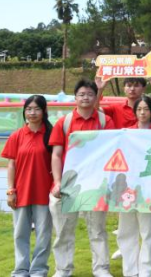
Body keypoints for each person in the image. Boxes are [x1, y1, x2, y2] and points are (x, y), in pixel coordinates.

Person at [48, 79, 116, 277]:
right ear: (75, 97)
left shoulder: (105, 121)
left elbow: (111, 153)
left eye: (90, 94)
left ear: (96, 97)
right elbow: (56, 155)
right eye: (81, 94)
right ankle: (63, 269)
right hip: (68, 184)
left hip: (95, 184)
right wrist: (58, 182)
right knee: (63, 231)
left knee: (98, 230)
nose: (86, 98)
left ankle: (101, 268)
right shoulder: (64, 122)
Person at [2, 95, 54, 277]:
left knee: (43, 234)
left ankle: (39, 269)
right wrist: (11, 190)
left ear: (44, 111)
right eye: (29, 109)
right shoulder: (17, 135)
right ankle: (21, 270)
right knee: (20, 234)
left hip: (44, 192)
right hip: (21, 192)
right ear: (24, 111)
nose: (32, 113)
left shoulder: (51, 134)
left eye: (37, 109)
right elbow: (11, 164)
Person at [116, 96, 151, 277]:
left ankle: (147, 272)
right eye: (139, 109)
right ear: (134, 112)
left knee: (148, 232)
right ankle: (130, 271)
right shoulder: (126, 133)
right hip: (127, 189)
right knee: (126, 231)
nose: (142, 113)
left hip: (150, 190)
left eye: (146, 109)